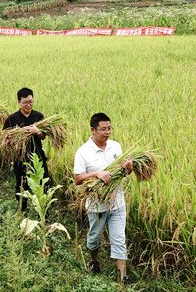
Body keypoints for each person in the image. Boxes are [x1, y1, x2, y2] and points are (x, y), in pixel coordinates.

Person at [73, 112, 132, 285]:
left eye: (109, 128)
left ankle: (123, 277)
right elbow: (77, 178)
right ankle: (94, 261)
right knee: (94, 238)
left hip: (117, 203)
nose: (107, 132)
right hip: (97, 205)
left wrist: (129, 168)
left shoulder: (116, 147)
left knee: (119, 239)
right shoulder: (83, 152)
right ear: (93, 130)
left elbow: (126, 173)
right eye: (103, 129)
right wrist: (97, 174)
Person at [2, 87, 49, 211]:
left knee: (42, 181)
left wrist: (37, 131)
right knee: (21, 183)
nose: (28, 105)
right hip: (20, 157)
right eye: (25, 102)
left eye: (31, 101)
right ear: (19, 102)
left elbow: (44, 136)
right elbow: (5, 138)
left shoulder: (38, 116)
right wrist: (19, 133)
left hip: (37, 154)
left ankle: (42, 209)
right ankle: (22, 210)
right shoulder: (12, 118)